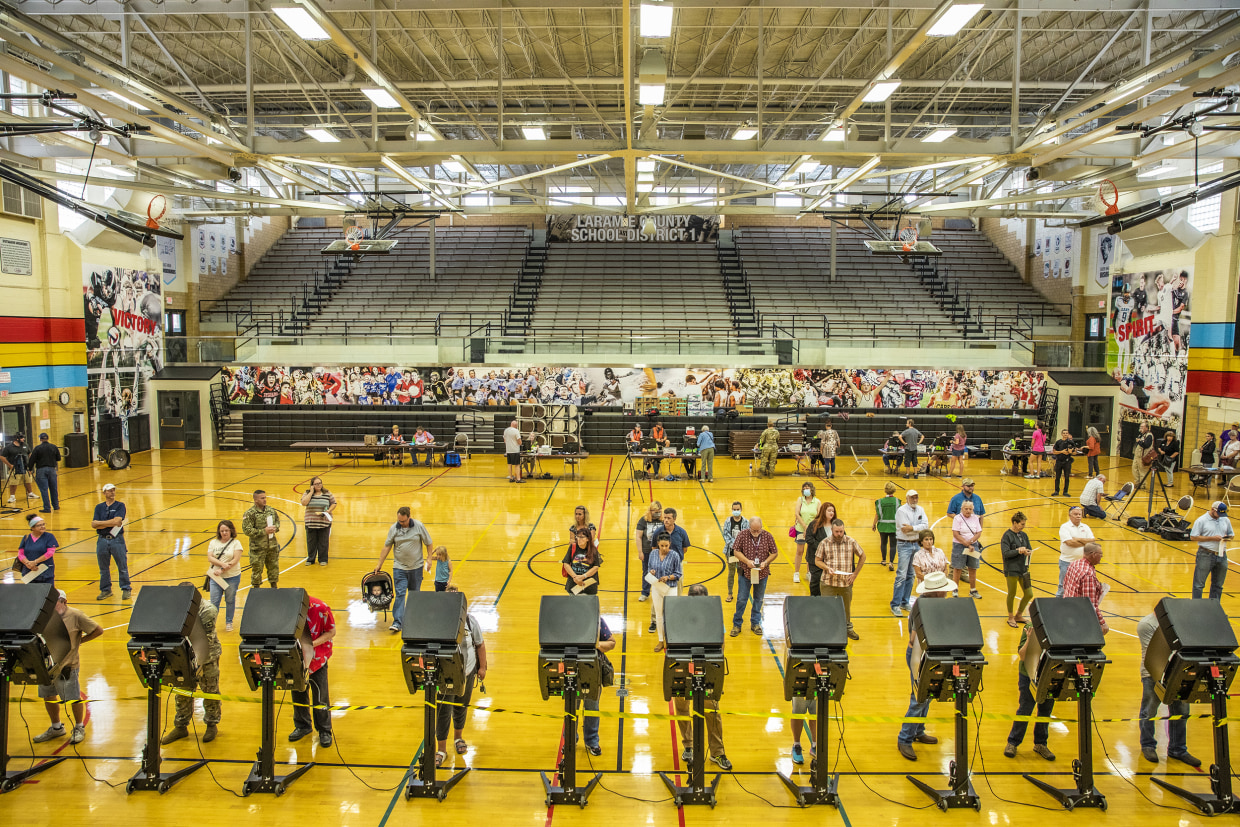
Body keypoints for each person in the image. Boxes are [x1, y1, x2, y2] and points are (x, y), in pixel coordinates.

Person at [672, 583, 732, 769]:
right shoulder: (678, 614)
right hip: (683, 666)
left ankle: (717, 752)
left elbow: (721, 642)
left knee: (712, 710)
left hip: (706, 667)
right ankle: (688, 746)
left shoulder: (713, 614)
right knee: (682, 707)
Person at [30, 590, 102, 745]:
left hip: (67, 666)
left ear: (64, 601)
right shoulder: (44, 616)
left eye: (55, 602)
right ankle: (56, 728)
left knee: (73, 698)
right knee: (48, 696)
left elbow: (98, 630)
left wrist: (79, 642)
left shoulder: (76, 615)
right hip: (46, 666)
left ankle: (79, 727)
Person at [897, 571, 955, 761]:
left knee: (928, 695)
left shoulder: (932, 604)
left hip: (931, 653)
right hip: (919, 654)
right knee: (919, 697)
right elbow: (914, 639)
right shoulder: (921, 607)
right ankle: (904, 738)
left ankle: (918, 730)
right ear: (937, 592)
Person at [162, 582, 222, 744]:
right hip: (183, 656)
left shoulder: (207, 610)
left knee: (209, 691)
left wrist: (198, 666)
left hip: (207, 656)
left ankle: (211, 724)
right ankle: (181, 726)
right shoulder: (178, 607)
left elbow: (204, 641)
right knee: (182, 692)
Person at [1137, 611, 1199, 766]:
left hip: (1178, 672)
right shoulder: (1147, 624)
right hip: (1153, 673)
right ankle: (1148, 745)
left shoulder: (1179, 621)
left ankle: (1178, 749)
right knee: (1149, 710)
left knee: (1182, 711)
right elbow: (1156, 655)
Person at [435, 585, 488, 767]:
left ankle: (458, 739)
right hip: (446, 676)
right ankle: (441, 750)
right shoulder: (439, 621)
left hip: (468, 672)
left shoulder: (470, 621)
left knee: (461, 706)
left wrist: (482, 668)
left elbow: (480, 645)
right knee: (443, 712)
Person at [1002, 617, 1056, 761]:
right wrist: (1030, 639)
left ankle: (1040, 744)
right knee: (1025, 709)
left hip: (1048, 675)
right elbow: (1022, 655)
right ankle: (1012, 742)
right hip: (1029, 675)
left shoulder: (1056, 627)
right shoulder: (1032, 627)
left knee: (1045, 710)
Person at [375, 506, 434, 632]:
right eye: (399, 521)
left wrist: (429, 559)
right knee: (400, 594)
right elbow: (387, 546)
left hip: (416, 568)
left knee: (414, 595)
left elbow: (428, 542)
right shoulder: (394, 528)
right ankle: (397, 622)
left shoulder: (418, 526)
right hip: (399, 568)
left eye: (403, 521)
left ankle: (413, 619)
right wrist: (379, 563)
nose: (400, 523)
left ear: (409, 517)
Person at [289, 594, 335, 748]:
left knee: (320, 695)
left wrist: (310, 645)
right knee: (298, 691)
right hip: (295, 658)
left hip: (317, 657)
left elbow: (331, 632)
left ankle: (324, 730)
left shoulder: (321, 609)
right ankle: (302, 725)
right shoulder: (288, 609)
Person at [814, 519, 865, 641]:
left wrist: (855, 574)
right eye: (836, 531)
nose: (839, 534)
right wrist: (827, 568)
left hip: (845, 583)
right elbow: (817, 561)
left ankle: (848, 629)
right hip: (828, 582)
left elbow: (862, 556)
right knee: (827, 608)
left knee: (846, 609)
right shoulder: (824, 543)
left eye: (841, 531)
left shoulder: (851, 541)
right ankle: (826, 631)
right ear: (831, 530)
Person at [731, 516, 778, 637]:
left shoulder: (768, 536)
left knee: (759, 599)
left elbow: (774, 552)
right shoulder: (742, 535)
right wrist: (747, 561)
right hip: (745, 573)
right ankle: (737, 624)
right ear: (749, 527)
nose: (756, 533)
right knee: (741, 599)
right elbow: (736, 551)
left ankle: (755, 623)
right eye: (753, 530)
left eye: (758, 530)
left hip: (762, 574)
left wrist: (766, 562)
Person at [581, 616, 616, 757]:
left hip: (592, 671)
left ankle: (592, 741)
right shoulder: (566, 618)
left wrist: (596, 644)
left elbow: (611, 642)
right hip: (571, 670)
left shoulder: (596, 619)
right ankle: (569, 741)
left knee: (592, 708)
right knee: (570, 707)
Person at [891, 490, 929, 617]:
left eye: (916, 497)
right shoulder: (901, 511)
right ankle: (895, 604)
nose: (915, 500)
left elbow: (925, 526)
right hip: (904, 544)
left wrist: (913, 528)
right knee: (901, 574)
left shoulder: (921, 510)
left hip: (916, 544)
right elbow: (904, 530)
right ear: (907, 498)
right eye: (912, 497)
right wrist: (917, 529)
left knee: (911, 574)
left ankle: (905, 601)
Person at [92, 482, 131, 600]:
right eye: (109, 490)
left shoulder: (120, 505)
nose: (112, 492)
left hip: (117, 540)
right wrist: (110, 522)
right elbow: (94, 524)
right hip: (102, 540)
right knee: (103, 568)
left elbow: (118, 521)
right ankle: (106, 590)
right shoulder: (99, 507)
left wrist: (101, 523)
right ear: (104, 493)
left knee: (122, 565)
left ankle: (126, 588)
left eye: (113, 490)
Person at [1062, 543, 1109, 633]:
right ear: (1094, 554)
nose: (1102, 557)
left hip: (1067, 609)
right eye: (1101, 554)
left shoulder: (1074, 564)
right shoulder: (1088, 575)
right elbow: (1090, 604)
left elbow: (1065, 585)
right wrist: (1102, 623)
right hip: (1079, 615)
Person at [1189, 501, 1233, 599]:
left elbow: (1232, 534)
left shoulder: (1225, 519)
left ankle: (1214, 608)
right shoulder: (1201, 520)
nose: (1220, 516)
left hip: (1222, 555)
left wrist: (1227, 537)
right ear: (1213, 509)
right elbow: (1193, 537)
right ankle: (1197, 608)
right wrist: (1212, 538)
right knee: (1198, 585)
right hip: (1205, 554)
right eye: (1219, 513)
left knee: (1218, 585)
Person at [207, 519, 243, 632]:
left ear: (231, 531)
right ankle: (211, 623)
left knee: (230, 599)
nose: (224, 533)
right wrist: (222, 565)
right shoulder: (213, 542)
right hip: (215, 577)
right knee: (214, 601)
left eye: (226, 530)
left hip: (232, 576)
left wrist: (222, 570)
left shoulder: (236, 543)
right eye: (222, 531)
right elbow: (210, 558)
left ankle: (229, 622)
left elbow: (235, 560)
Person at [648, 533, 682, 651]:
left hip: (670, 588)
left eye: (666, 546)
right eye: (661, 546)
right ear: (658, 544)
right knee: (659, 615)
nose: (664, 548)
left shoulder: (675, 555)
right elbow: (649, 568)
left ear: (670, 544)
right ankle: (661, 640)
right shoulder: (652, 554)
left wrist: (668, 577)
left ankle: (672, 640)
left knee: (671, 615)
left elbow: (678, 574)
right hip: (657, 588)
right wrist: (651, 572)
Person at [242, 489, 281, 590]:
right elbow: (247, 530)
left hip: (272, 547)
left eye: (265, 498)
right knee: (257, 572)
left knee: (274, 570)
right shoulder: (250, 513)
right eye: (262, 498)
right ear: (256, 500)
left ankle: (274, 589)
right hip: (258, 548)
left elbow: (277, 522)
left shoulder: (271, 510)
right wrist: (264, 531)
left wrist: (275, 528)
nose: (265, 500)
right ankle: (256, 591)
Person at [1001, 512, 1034, 627]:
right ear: (1015, 523)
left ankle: (1019, 614)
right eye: (1022, 524)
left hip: (1023, 569)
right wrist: (1018, 551)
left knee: (1029, 594)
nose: (1023, 526)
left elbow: (1029, 547)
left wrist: (1028, 552)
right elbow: (1005, 553)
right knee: (1012, 593)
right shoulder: (1007, 536)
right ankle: (1010, 617)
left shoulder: (1023, 535)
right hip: (1012, 569)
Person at [1057, 506, 1094, 596]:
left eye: (1079, 514)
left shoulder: (1085, 527)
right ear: (1070, 515)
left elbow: (1092, 542)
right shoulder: (1065, 527)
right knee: (1063, 588)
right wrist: (1085, 541)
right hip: (1067, 562)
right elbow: (1070, 542)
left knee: (1081, 588)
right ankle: (1058, 608)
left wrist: (1076, 539)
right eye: (1075, 514)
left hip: (1082, 564)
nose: (1078, 516)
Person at [950, 499, 983, 599]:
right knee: (958, 568)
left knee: (973, 568)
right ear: (962, 509)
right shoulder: (957, 518)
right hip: (959, 545)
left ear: (973, 510)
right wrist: (967, 544)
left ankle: (973, 590)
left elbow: (978, 532)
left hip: (973, 545)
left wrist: (972, 541)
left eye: (970, 509)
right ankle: (955, 589)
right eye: (966, 509)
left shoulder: (975, 518)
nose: (968, 511)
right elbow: (955, 533)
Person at [300, 476, 337, 566]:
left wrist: (329, 510)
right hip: (311, 522)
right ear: (312, 485)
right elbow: (303, 503)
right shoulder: (307, 493)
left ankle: (323, 559)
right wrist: (311, 492)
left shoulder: (327, 493)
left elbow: (334, 503)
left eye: (320, 483)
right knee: (311, 542)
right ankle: (311, 559)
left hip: (324, 522)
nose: (319, 485)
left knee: (323, 542)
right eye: (316, 484)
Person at [804, 501, 836, 596]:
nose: (831, 513)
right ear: (823, 511)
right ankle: (814, 600)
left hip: (831, 559)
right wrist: (822, 547)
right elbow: (809, 539)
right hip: (815, 559)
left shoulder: (835, 524)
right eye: (829, 510)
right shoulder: (814, 524)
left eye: (833, 511)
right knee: (816, 581)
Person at [791, 482, 821, 584]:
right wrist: (804, 526)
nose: (805, 490)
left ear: (812, 489)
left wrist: (811, 527)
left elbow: (819, 516)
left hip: (813, 530)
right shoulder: (800, 500)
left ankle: (809, 572)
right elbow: (797, 513)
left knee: (811, 551)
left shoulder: (817, 502)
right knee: (800, 551)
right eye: (804, 488)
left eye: (807, 488)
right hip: (801, 528)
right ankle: (796, 573)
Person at [635, 499, 663, 603]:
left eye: (659, 511)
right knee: (646, 572)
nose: (658, 513)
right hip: (647, 551)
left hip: (661, 551)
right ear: (650, 511)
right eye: (655, 511)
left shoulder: (663, 519)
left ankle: (660, 591)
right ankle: (645, 592)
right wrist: (640, 551)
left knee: (661, 571)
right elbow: (638, 537)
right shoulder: (643, 520)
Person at [17, 513, 57, 585]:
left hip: (45, 570)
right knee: (31, 594)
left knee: (47, 594)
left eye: (43, 524)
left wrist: (35, 562)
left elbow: (50, 553)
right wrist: (28, 564)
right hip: (29, 571)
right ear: (32, 528)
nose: (43, 527)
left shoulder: (49, 537)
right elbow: (20, 554)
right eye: (39, 525)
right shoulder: (26, 538)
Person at [721, 502, 748, 602]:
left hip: (742, 553)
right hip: (730, 552)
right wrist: (734, 545)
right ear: (732, 510)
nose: (736, 511)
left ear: (741, 509)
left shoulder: (746, 522)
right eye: (734, 509)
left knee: (741, 573)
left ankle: (741, 594)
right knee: (731, 573)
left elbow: (746, 535)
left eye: (737, 509)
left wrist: (739, 546)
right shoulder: (728, 521)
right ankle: (730, 593)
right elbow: (726, 535)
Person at [563, 530, 601, 596]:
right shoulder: (573, 547)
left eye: (582, 537)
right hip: (574, 585)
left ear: (587, 539)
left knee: (588, 605)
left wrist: (583, 576)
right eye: (578, 537)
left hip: (589, 586)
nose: (579, 539)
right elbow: (566, 563)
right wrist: (575, 577)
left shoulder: (593, 550)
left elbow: (596, 567)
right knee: (574, 605)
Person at [1, 432, 35, 504]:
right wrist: (9, 465)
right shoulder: (9, 447)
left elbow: (29, 454)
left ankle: (30, 493)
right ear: (17, 439)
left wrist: (30, 466)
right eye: (22, 438)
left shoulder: (25, 445)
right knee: (13, 482)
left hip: (25, 467)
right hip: (15, 468)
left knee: (28, 480)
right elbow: (2, 457)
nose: (23, 439)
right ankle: (12, 496)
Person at [872, 482, 900, 571]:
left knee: (883, 543)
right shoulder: (897, 501)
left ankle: (883, 560)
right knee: (893, 544)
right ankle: (891, 562)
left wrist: (874, 524)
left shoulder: (880, 501)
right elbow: (900, 514)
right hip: (893, 526)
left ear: (885, 490)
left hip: (882, 526)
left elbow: (877, 514)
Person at [30, 433, 60, 513]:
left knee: (44, 489)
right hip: (52, 469)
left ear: (40, 439)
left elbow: (32, 460)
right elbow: (58, 458)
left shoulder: (37, 448)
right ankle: (56, 506)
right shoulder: (54, 447)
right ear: (48, 438)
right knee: (53, 489)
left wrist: (30, 469)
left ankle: (47, 508)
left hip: (41, 470)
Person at [1051, 429, 1076, 497]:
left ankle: (1065, 491)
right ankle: (1056, 491)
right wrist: (1062, 451)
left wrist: (1071, 452)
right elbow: (1054, 452)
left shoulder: (1071, 442)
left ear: (1068, 434)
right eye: (1064, 433)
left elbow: (1075, 452)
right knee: (1057, 477)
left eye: (1066, 433)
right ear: (1062, 434)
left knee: (1067, 477)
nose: (1065, 434)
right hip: (1059, 461)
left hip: (1067, 461)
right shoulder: (1058, 442)